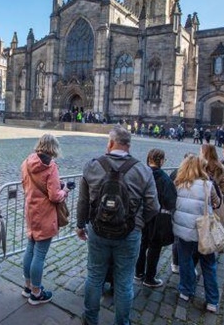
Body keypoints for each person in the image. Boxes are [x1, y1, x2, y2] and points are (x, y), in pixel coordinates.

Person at [76, 125, 159, 325]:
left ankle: (90, 319)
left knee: (95, 276)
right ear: (129, 145)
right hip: (129, 234)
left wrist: (80, 225)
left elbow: (83, 202)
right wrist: (138, 224)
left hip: (98, 230)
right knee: (124, 282)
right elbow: (153, 206)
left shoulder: (92, 165)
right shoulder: (142, 169)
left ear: (111, 143)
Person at [21, 134, 69, 304]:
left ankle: (27, 287)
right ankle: (36, 293)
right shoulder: (51, 167)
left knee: (30, 248)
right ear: (53, 148)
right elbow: (55, 196)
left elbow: (24, 183)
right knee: (39, 254)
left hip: (31, 210)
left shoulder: (27, 162)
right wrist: (65, 191)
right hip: (45, 214)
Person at [172, 155, 222, 313]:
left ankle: (185, 291)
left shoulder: (178, 184)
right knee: (208, 265)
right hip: (203, 231)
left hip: (183, 230)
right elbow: (217, 202)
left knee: (185, 261)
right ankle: (212, 301)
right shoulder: (208, 185)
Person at [135, 148, 177, 288]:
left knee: (142, 244)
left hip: (142, 215)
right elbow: (171, 201)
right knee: (154, 247)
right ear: (161, 161)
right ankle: (149, 277)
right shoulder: (165, 178)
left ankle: (138, 271)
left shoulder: (142, 174)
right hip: (158, 218)